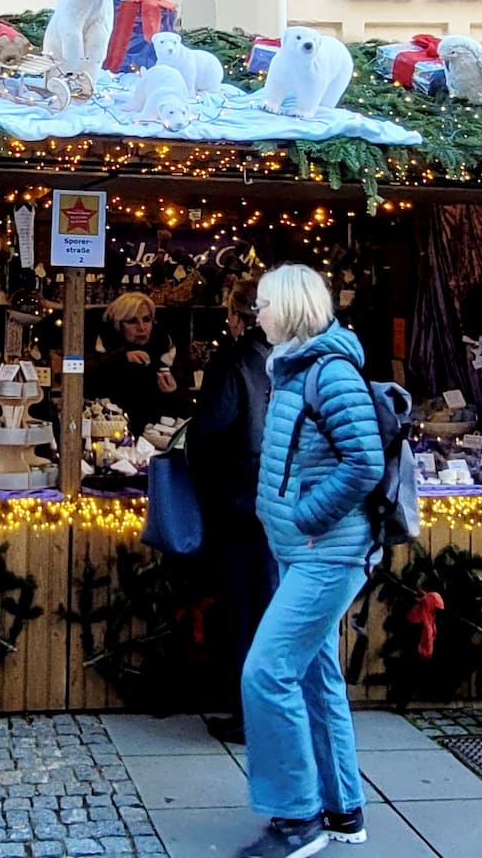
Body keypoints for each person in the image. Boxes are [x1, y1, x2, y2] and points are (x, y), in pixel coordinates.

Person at [234, 264, 384, 858]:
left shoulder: (329, 372)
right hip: (304, 553)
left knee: (266, 672)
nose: (257, 313)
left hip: (326, 552)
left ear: (291, 307)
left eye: (265, 304)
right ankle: (343, 810)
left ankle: (297, 818)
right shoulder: (294, 368)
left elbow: (364, 462)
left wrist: (305, 515)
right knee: (319, 681)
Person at [187, 278, 276, 743]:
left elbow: (210, 430)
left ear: (240, 317)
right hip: (280, 502)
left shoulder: (234, 361)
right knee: (268, 606)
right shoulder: (292, 360)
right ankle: (269, 713)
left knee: (242, 610)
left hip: (238, 500)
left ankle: (248, 715)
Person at [86, 291, 184, 438]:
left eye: (147, 320)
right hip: (110, 436)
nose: (142, 327)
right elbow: (83, 377)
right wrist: (120, 358)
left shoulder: (164, 352)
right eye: (132, 321)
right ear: (118, 325)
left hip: (155, 439)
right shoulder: (102, 349)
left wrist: (173, 392)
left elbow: (185, 408)